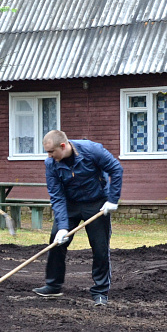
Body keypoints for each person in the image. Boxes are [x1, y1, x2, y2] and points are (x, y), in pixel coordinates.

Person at [33, 129, 123, 305]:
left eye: (51, 152)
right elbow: (57, 196)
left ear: (63, 146)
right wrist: (63, 227)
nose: (49, 156)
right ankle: (53, 286)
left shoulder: (92, 150)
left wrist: (112, 200)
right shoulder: (51, 164)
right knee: (56, 241)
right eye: (47, 153)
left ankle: (100, 292)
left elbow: (116, 169)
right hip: (70, 204)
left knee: (100, 247)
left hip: (96, 203)